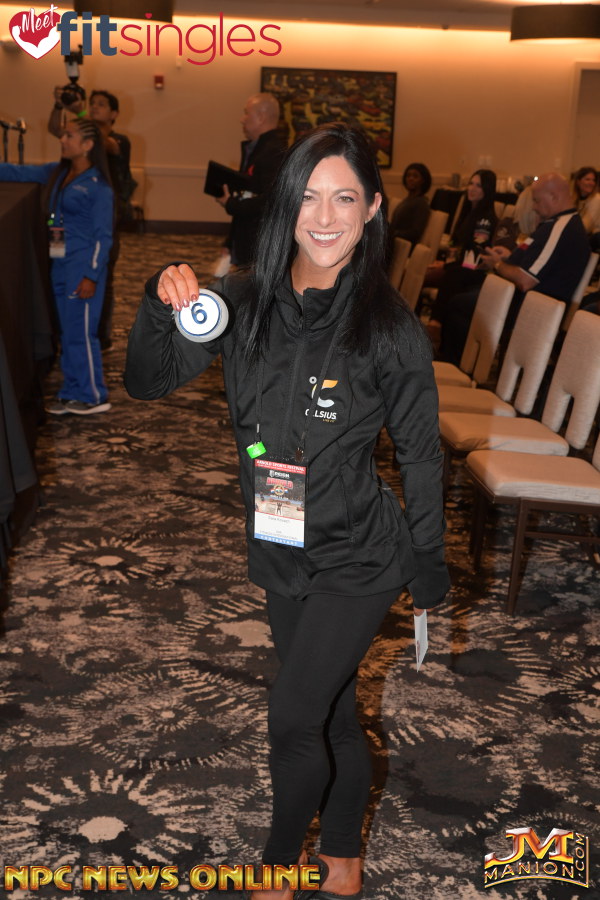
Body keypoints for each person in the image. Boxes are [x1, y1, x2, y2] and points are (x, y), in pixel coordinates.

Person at [125, 123, 450, 899]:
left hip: (360, 557)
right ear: (285, 208)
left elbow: (420, 454)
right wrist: (157, 302)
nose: (326, 217)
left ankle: (275, 868)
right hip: (279, 542)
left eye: (345, 198)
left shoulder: (390, 329)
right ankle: (342, 857)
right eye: (308, 197)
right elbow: (147, 380)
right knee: (331, 710)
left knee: (294, 715)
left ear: (373, 209)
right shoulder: (242, 300)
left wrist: (428, 562)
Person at [0, 117, 113, 414]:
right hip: (60, 264)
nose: (62, 139)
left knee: (82, 333)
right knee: (68, 331)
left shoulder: (98, 187)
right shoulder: (58, 172)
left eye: (69, 135)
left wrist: (91, 275)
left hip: (82, 267)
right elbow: (18, 172)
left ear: (87, 145)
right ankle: (73, 391)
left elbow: (103, 238)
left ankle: (93, 395)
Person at [440, 172, 591, 365]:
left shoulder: (560, 228)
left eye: (536, 201)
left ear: (554, 197)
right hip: (523, 299)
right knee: (461, 285)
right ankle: (464, 363)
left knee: (459, 304)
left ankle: (460, 366)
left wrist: (497, 264)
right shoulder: (556, 224)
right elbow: (536, 262)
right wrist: (508, 257)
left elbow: (526, 280)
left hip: (534, 308)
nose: (534, 207)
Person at [49, 87, 134, 349]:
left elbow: (101, 141)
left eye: (101, 104)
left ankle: (100, 334)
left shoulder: (118, 140)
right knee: (65, 279)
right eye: (92, 103)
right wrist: (59, 105)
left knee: (100, 276)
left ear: (114, 114)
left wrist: (80, 112)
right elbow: (55, 129)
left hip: (105, 217)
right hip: (70, 230)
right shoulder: (79, 139)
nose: (95, 107)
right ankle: (70, 331)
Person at [426, 169, 498, 349]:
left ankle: (435, 325)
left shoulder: (485, 219)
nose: (472, 188)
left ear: (487, 190)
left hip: (477, 270)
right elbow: (455, 244)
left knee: (452, 274)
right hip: (461, 266)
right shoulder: (468, 213)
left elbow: (476, 253)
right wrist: (446, 263)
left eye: (478, 185)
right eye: (471, 184)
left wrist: (448, 266)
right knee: (430, 272)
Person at [215, 92, 287, 268]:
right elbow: (249, 194)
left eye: (246, 113)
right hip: (249, 241)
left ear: (261, 118)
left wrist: (231, 204)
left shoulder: (273, 152)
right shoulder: (258, 149)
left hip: (259, 247)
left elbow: (271, 201)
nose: (242, 119)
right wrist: (230, 241)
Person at [389, 161, 431, 246]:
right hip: (393, 242)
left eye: (415, 176)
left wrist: (393, 233)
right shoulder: (407, 200)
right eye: (408, 176)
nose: (410, 179)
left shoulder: (421, 203)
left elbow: (415, 233)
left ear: (423, 180)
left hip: (403, 246)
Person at [572, 165, 600, 237]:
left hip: (594, 238)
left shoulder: (596, 199)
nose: (591, 183)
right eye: (587, 179)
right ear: (578, 182)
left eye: (593, 180)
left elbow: (585, 227)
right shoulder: (574, 199)